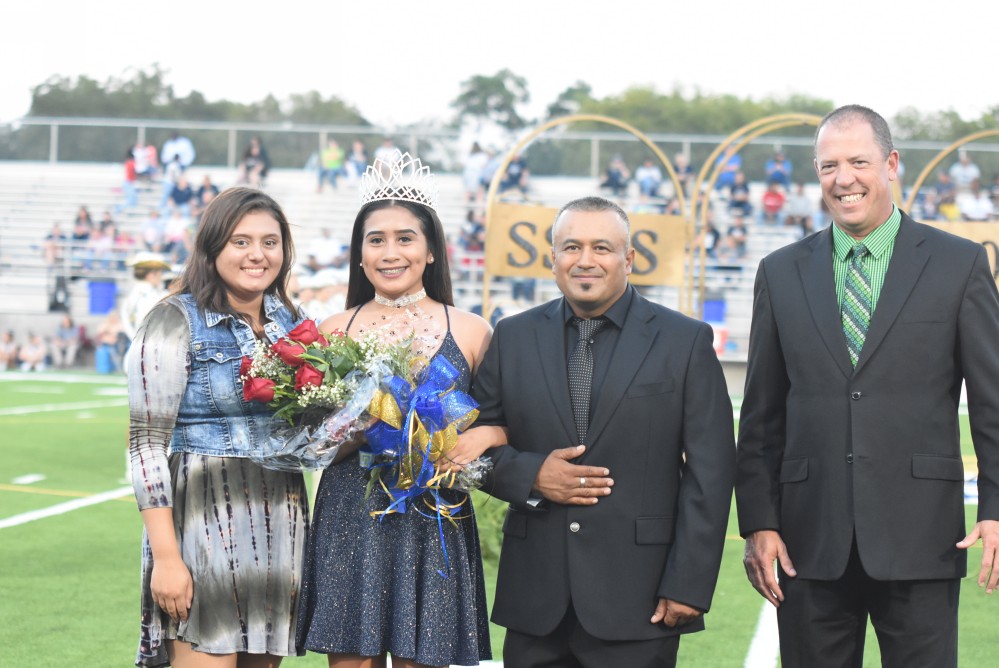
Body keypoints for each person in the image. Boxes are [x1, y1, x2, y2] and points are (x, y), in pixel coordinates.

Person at [736, 104, 999, 668]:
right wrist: (759, 521)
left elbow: (992, 402)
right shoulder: (780, 273)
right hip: (807, 542)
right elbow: (761, 413)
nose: (843, 178)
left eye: (858, 161)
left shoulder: (958, 264)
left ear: (891, 164)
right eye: (829, 165)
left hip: (923, 535)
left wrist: (996, 507)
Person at [465, 196, 735, 667]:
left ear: (628, 259)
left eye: (602, 248)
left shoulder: (684, 340)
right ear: (552, 259)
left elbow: (711, 472)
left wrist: (689, 583)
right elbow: (471, 447)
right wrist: (530, 476)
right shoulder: (512, 336)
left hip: (640, 598)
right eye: (571, 247)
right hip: (535, 599)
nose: (585, 260)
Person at [296, 153, 496, 667]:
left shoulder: (472, 331)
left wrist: (483, 438)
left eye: (405, 238)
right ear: (359, 255)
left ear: (431, 251)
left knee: (421, 657)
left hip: (435, 512)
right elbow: (309, 441)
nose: (390, 251)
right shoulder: (331, 329)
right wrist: (356, 431)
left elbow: (505, 418)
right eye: (376, 239)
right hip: (350, 512)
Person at [127, 187, 310, 667]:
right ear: (212, 248)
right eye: (241, 241)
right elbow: (145, 445)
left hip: (279, 521)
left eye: (270, 242)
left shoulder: (294, 324)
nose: (257, 255)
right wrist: (167, 558)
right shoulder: (172, 320)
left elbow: (309, 426)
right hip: (201, 526)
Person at [120, 252, 171, 341]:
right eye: (159, 273)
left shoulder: (133, 294)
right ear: (151, 275)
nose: (161, 277)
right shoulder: (150, 295)